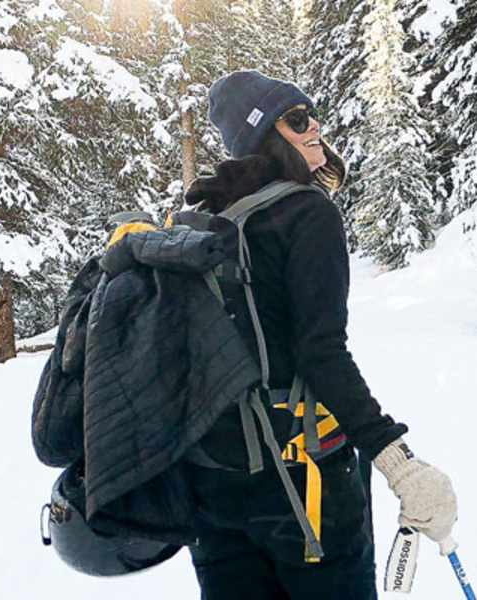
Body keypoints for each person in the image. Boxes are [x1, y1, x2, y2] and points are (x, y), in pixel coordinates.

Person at [180, 70, 459, 600]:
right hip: (301, 485)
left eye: (311, 115)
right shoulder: (308, 213)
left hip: (212, 488)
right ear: (265, 134)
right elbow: (321, 351)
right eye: (297, 119)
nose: (315, 128)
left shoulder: (204, 221)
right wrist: (395, 461)